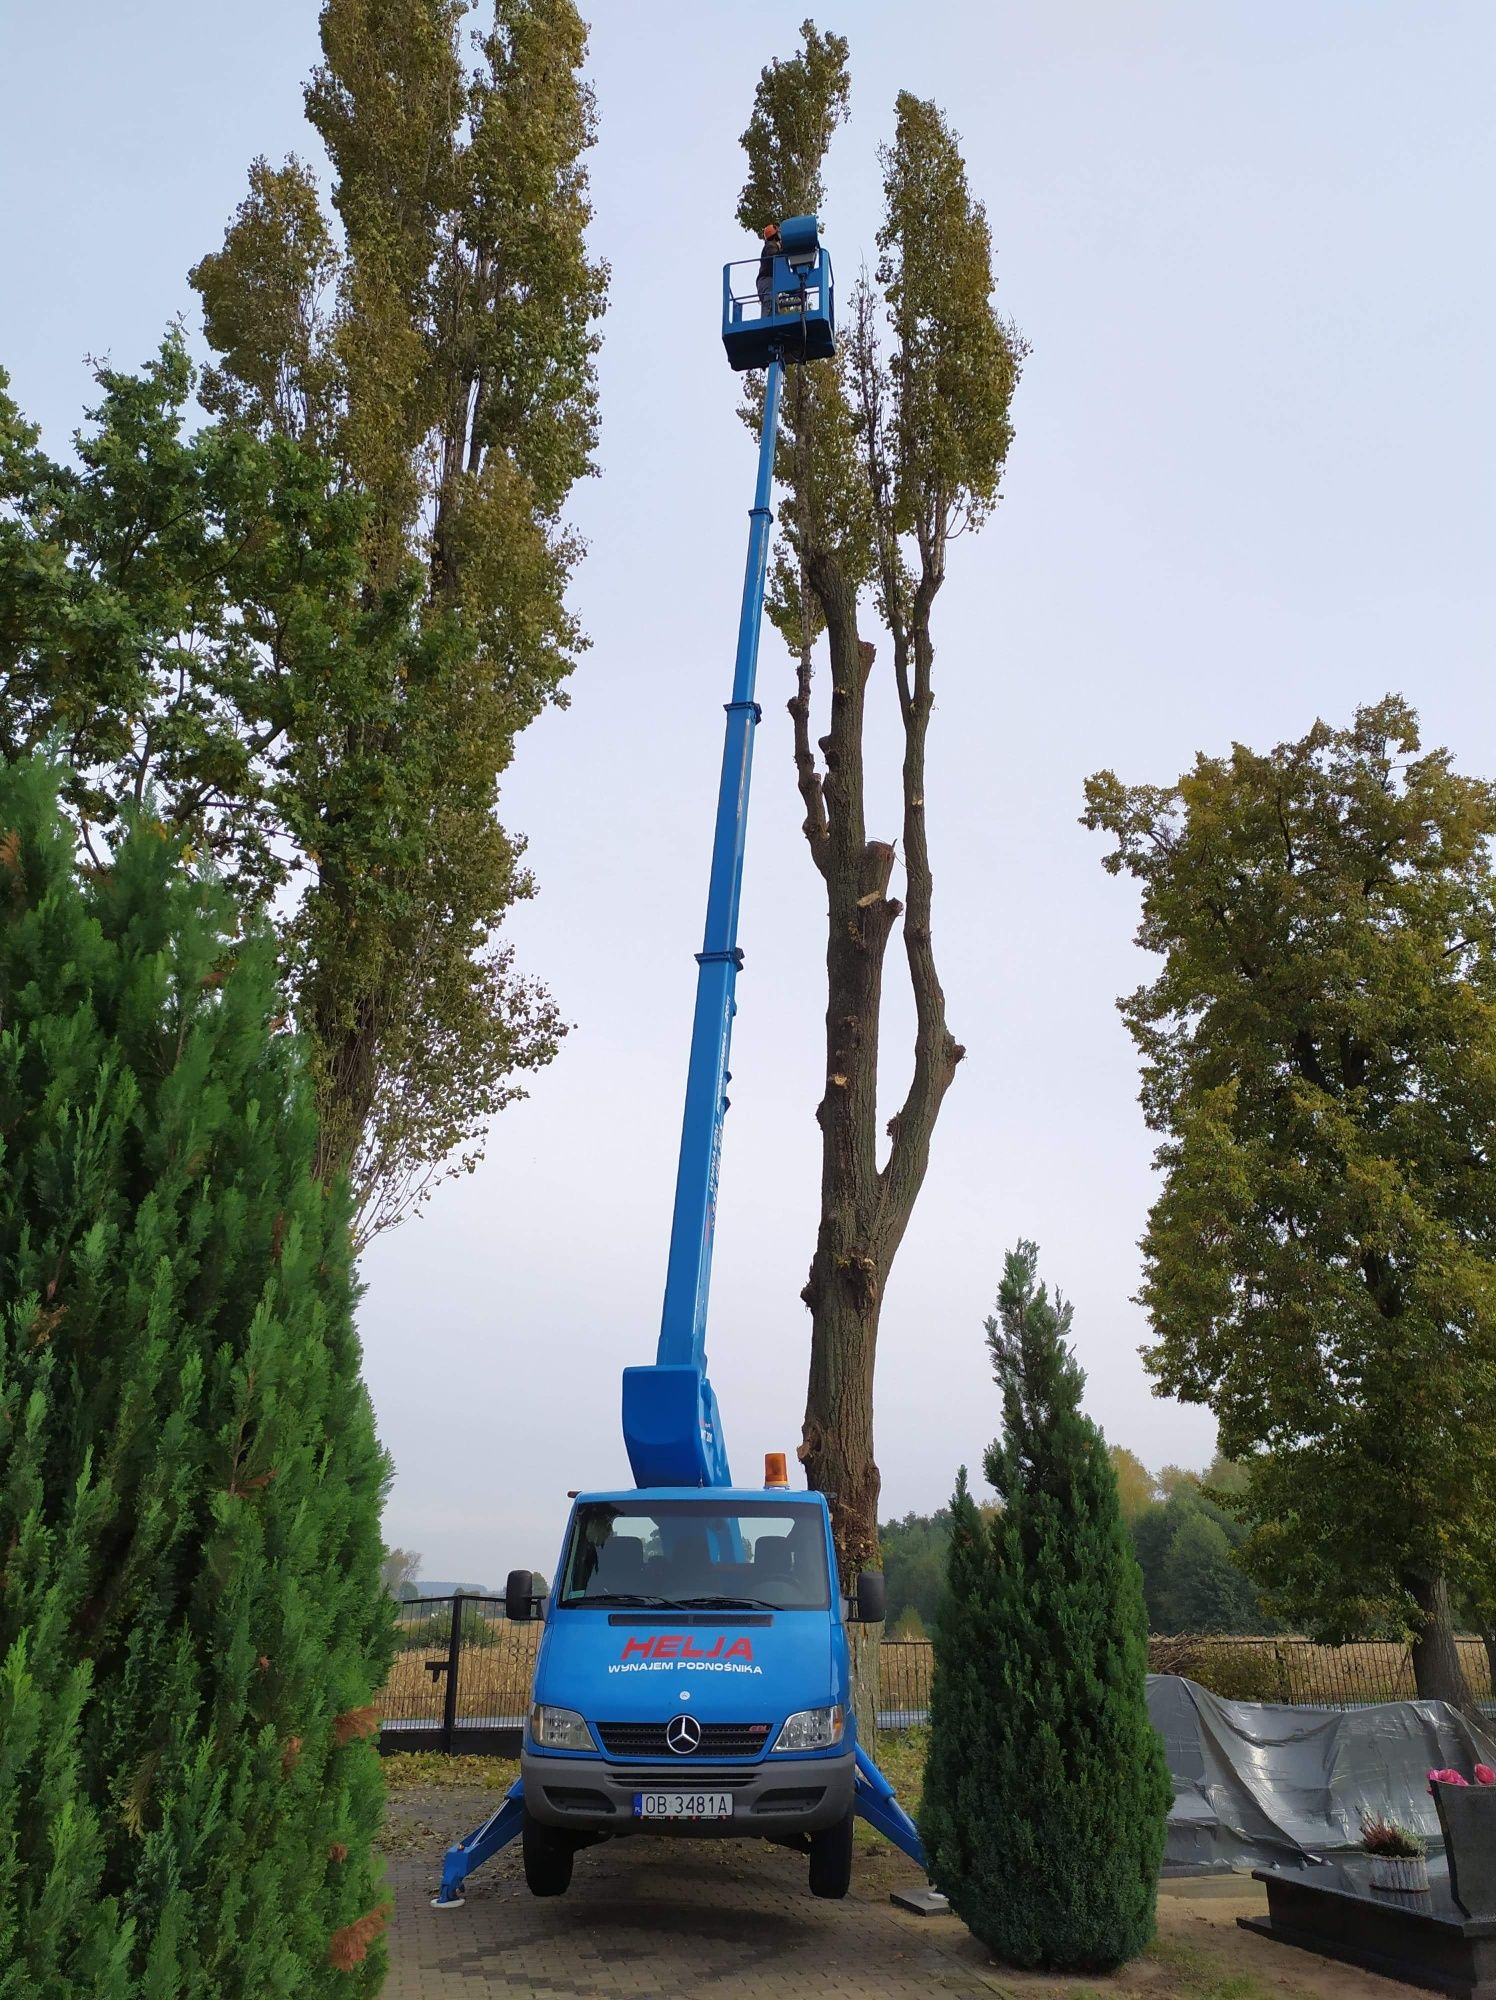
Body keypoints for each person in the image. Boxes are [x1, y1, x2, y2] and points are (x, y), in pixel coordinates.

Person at [756, 222, 781, 318]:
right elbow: (773, 256)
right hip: (767, 281)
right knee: (770, 306)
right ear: (776, 234)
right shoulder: (771, 245)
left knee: (774, 308)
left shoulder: (771, 245)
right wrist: (784, 251)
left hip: (765, 282)